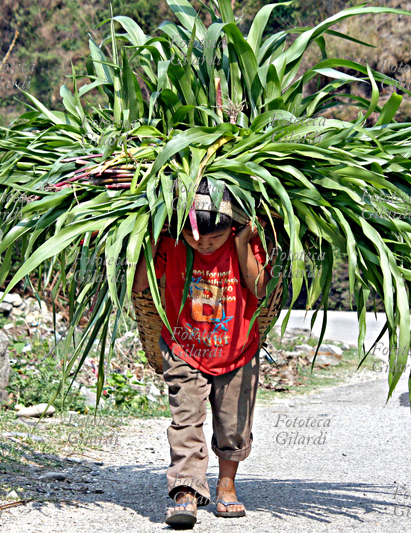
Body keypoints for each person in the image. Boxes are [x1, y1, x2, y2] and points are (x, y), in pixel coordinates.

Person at [133, 178, 273, 528]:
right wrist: (150, 241)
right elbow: (139, 286)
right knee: (186, 419)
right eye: (196, 236)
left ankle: (227, 485)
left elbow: (259, 288)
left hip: (237, 349)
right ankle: (186, 491)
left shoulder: (244, 242)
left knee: (234, 427)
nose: (204, 244)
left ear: (233, 227)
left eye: (214, 237)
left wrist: (242, 242)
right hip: (183, 346)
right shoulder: (173, 243)